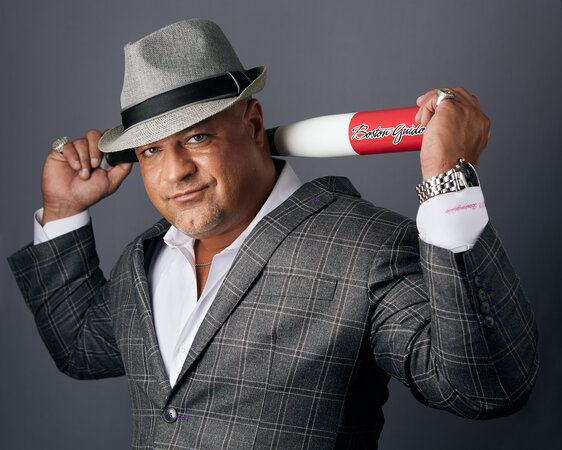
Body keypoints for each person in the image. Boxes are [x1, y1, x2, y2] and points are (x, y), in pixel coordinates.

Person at [8, 19, 538, 449]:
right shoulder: (144, 261)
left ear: (253, 124)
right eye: (151, 150)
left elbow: (488, 386)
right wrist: (62, 211)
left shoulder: (363, 247)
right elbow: (81, 347)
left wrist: (448, 183)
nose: (175, 172)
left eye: (197, 137)